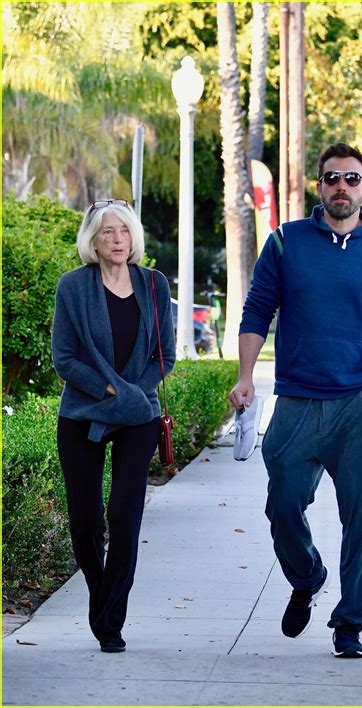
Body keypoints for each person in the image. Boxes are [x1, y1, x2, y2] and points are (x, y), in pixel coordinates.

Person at [229, 143, 362, 658]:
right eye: (332, 177)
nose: (342, 186)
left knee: (361, 519)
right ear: (319, 186)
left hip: (357, 405)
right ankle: (307, 575)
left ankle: (349, 624)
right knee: (282, 505)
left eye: (352, 179)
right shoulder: (287, 242)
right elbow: (257, 310)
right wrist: (246, 376)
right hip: (296, 401)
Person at [52, 198, 175, 653]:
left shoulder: (154, 284)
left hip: (138, 416)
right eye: (107, 232)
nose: (117, 239)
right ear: (93, 241)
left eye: (123, 231)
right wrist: (111, 392)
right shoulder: (73, 287)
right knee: (86, 523)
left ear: (133, 237)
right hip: (83, 414)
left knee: (124, 516)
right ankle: (98, 595)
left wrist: (132, 396)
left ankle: (110, 619)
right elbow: (64, 359)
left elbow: (166, 354)